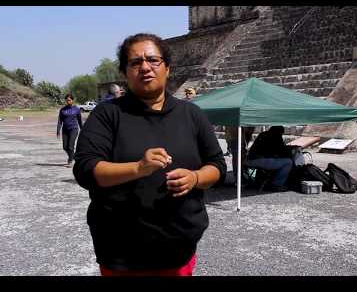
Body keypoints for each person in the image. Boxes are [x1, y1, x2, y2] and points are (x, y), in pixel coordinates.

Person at [73, 33, 226, 276]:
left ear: (167, 68)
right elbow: (86, 169)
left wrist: (195, 178)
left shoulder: (192, 114)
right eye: (135, 62)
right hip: (121, 249)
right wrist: (138, 168)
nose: (145, 67)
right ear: (125, 72)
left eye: (153, 60)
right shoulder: (108, 114)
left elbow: (217, 165)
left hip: (178, 246)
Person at [246, 126, 292, 192]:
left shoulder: (263, 134)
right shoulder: (276, 136)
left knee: (275, 161)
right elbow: (281, 151)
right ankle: (277, 185)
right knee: (288, 162)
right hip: (261, 160)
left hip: (250, 160)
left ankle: (262, 181)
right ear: (280, 132)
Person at [56, 94, 83, 167]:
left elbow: (80, 120)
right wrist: (58, 131)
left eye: (69, 100)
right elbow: (59, 121)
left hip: (73, 129)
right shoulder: (62, 110)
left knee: (70, 146)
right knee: (65, 147)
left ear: (72, 100)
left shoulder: (76, 109)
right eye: (67, 100)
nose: (68, 101)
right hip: (65, 130)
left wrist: (82, 129)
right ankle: (73, 157)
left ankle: (70, 160)